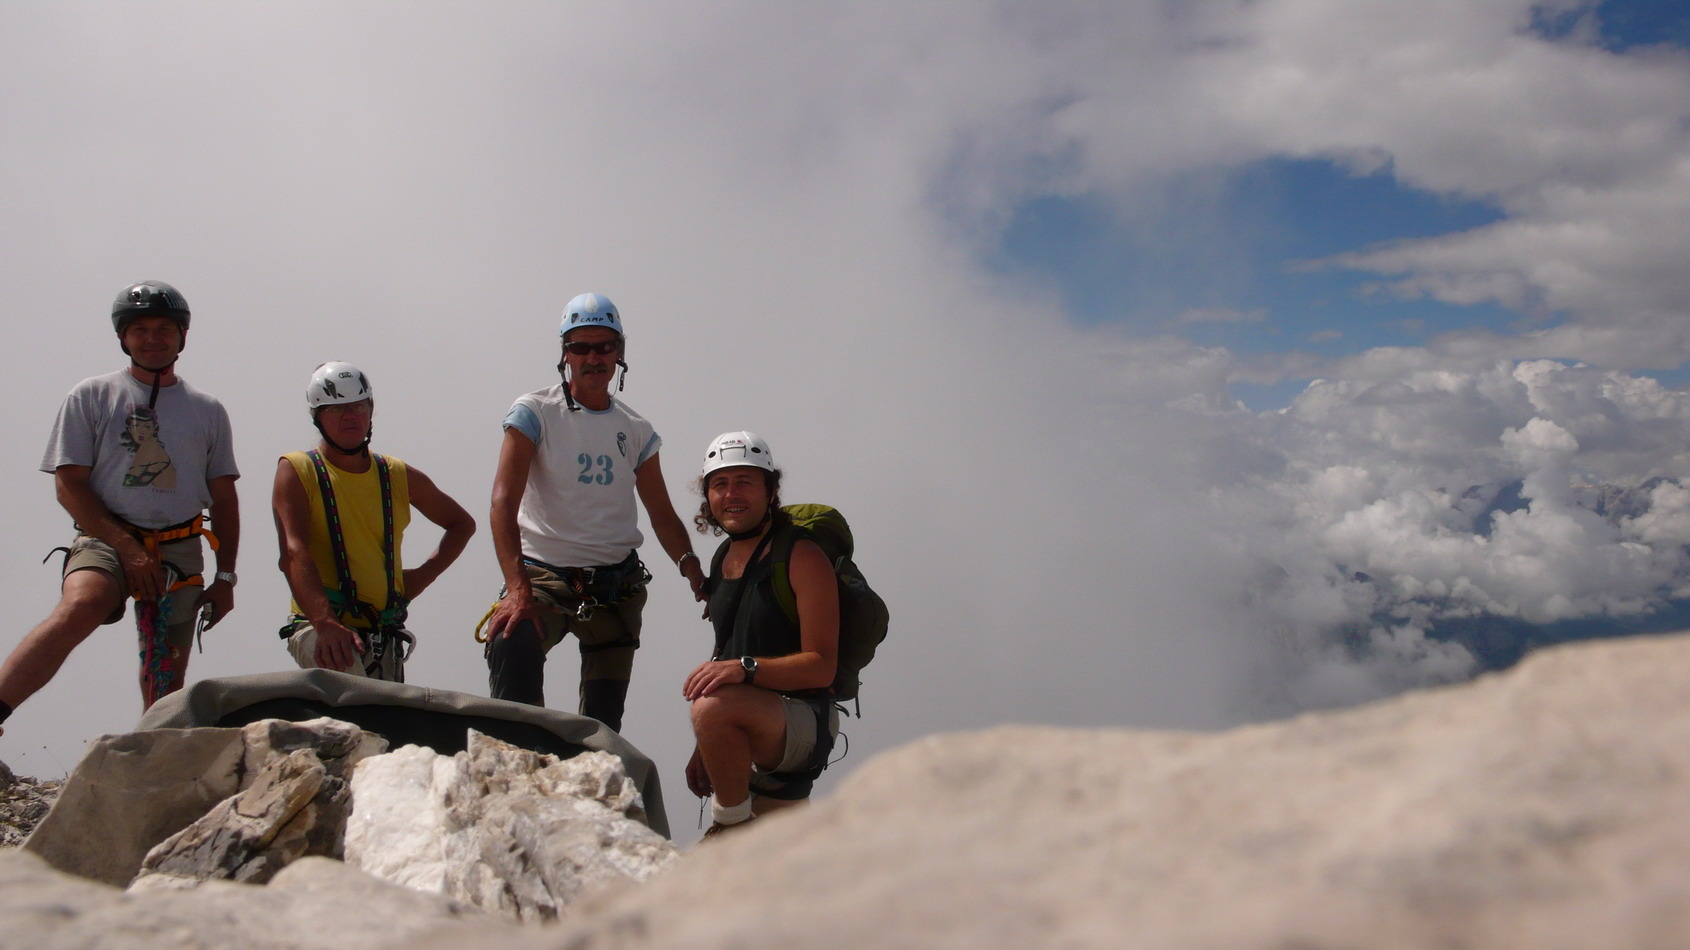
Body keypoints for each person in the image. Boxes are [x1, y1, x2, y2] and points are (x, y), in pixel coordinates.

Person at [0, 280, 240, 735]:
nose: (153, 338)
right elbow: (69, 486)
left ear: (181, 336)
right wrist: (128, 550)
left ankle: (150, 760)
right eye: (140, 329)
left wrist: (225, 576)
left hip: (180, 544)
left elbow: (224, 498)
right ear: (123, 337)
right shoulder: (91, 395)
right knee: (81, 605)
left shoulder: (207, 411)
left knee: (167, 675)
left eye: (164, 328)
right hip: (106, 536)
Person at [482, 292, 706, 733]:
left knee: (602, 728)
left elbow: (661, 513)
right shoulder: (534, 412)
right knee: (512, 641)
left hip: (614, 589)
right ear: (564, 353)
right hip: (543, 578)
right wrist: (516, 589)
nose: (592, 357)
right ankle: (519, 757)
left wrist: (694, 572)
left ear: (620, 351)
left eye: (603, 346)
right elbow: (502, 502)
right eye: (580, 347)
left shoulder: (637, 431)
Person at [273, 362, 476, 681]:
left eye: (357, 405)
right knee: (354, 702)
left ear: (370, 408)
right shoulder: (299, 469)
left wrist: (419, 579)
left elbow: (461, 524)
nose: (349, 415)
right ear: (317, 416)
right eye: (336, 408)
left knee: (385, 727)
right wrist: (324, 623)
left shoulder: (395, 474)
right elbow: (293, 552)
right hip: (319, 627)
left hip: (383, 634)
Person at [683, 431, 840, 838]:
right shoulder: (724, 558)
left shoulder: (801, 556)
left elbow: (822, 666)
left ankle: (729, 826)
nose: (732, 494)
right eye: (720, 484)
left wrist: (745, 670)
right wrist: (707, 743)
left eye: (745, 482)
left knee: (709, 704)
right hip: (761, 733)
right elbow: (728, 650)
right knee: (764, 879)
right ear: (708, 497)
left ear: (771, 491)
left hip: (804, 723)